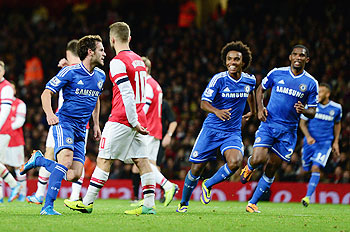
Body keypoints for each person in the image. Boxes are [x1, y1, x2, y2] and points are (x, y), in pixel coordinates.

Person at [64, 22, 156, 215]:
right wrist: (138, 120)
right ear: (129, 38)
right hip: (139, 117)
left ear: (112, 40)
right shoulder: (139, 60)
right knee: (142, 161)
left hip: (123, 118)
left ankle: (87, 202)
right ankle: (149, 204)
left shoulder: (117, 62)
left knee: (104, 159)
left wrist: (132, 121)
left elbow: (127, 93)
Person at [20, 35, 106, 215]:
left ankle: (39, 160)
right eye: (101, 50)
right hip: (64, 122)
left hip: (82, 129)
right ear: (90, 52)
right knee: (65, 161)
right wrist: (50, 114)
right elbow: (46, 93)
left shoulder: (100, 75)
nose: (104, 54)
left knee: (74, 175)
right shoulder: (70, 72)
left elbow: (96, 99)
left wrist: (96, 124)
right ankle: (47, 207)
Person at [176, 41, 256, 213]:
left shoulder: (250, 79)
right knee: (196, 168)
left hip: (232, 132)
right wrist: (217, 111)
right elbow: (204, 103)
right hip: (211, 130)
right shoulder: (219, 79)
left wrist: (252, 111)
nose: (232, 62)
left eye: (236, 59)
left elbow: (251, 92)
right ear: (225, 61)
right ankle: (183, 203)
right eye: (229, 59)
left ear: (243, 62)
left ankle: (208, 184)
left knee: (235, 162)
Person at [239, 45, 319, 213]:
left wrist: (304, 110)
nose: (298, 57)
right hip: (269, 123)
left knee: (272, 166)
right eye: (295, 54)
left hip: (288, 131)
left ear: (307, 59)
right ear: (290, 57)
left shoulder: (311, 83)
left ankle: (252, 203)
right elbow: (260, 89)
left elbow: (313, 111)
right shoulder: (277, 73)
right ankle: (250, 166)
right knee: (259, 159)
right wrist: (260, 109)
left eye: (302, 55)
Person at [26, 39, 89, 204]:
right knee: (67, 159)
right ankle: (50, 195)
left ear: (69, 54)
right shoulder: (75, 71)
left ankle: (49, 193)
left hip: (67, 121)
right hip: (67, 123)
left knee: (69, 161)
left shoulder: (70, 70)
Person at [130, 57, 178, 207]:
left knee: (143, 163)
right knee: (149, 164)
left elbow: (144, 109)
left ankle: (168, 186)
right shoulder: (156, 85)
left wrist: (134, 122)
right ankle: (148, 197)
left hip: (147, 129)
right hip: (155, 129)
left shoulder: (147, 85)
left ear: (144, 68)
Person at [299, 83, 342, 207]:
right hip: (309, 143)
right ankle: (314, 182)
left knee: (315, 167)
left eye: (321, 92)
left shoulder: (336, 108)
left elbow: (337, 123)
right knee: (305, 169)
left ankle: (307, 197)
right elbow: (302, 123)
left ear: (327, 94)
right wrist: (308, 137)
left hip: (325, 143)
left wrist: (336, 142)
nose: (318, 94)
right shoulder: (311, 106)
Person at [0, 60, 22, 203]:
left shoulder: (6, 87)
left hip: (3, 131)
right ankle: (2, 195)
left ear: (3, 71)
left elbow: (5, 111)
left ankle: (14, 184)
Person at [3, 82, 27, 201]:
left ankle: (22, 194)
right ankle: (1, 196)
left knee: (19, 167)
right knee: (1, 166)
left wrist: (4, 128)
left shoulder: (20, 104)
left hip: (15, 141)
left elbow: (19, 122)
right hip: (2, 139)